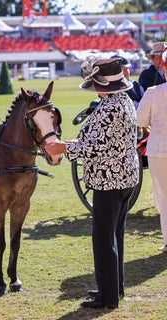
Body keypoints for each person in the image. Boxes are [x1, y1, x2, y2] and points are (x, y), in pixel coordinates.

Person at [45, 56, 139, 309]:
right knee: (114, 235)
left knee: (103, 239)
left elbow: (97, 148)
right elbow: (101, 141)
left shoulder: (111, 107)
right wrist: (68, 145)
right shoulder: (124, 101)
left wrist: (63, 147)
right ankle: (113, 288)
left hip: (110, 180)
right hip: (124, 177)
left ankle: (107, 298)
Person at [136, 51, 167, 252]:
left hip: (159, 149)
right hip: (158, 149)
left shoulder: (154, 92)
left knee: (164, 197)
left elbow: (140, 121)